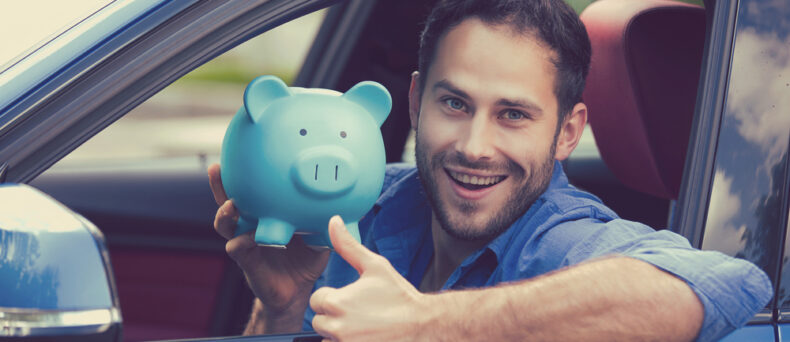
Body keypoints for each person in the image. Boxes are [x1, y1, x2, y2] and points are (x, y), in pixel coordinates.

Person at [208, 0, 772, 341]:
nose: (475, 147)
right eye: (454, 104)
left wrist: (428, 326)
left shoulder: (563, 239)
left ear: (568, 133)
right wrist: (279, 311)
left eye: (514, 115)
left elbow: (729, 282)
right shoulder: (357, 208)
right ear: (414, 103)